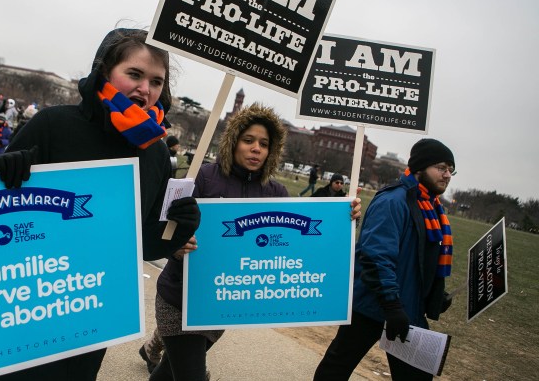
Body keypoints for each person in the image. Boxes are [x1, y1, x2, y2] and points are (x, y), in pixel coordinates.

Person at [0, 28, 201, 381]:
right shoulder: (53, 124)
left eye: (156, 81)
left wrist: (179, 227)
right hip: (25, 300)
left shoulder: (156, 153)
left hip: (91, 309)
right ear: (105, 71)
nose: (145, 89)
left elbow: (145, 244)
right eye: (134, 74)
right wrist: (1, 173)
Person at [147, 104, 361, 381]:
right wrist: (175, 246)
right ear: (233, 142)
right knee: (191, 374)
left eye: (264, 143)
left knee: (169, 372)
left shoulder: (276, 192)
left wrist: (344, 219)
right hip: (179, 298)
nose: (256, 148)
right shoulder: (203, 176)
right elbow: (167, 227)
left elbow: (301, 242)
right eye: (248, 140)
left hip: (223, 303)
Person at [313, 138, 456, 381]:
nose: (447, 175)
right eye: (441, 168)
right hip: (372, 305)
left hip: (409, 309)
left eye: (451, 170)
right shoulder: (393, 201)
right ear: (420, 167)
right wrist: (392, 306)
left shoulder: (431, 207)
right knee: (336, 368)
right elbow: (376, 256)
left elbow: (419, 259)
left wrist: (433, 292)